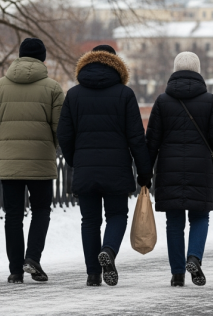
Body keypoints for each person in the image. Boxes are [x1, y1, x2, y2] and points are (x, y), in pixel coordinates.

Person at [57, 45, 152, 287]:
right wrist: (144, 171)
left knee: (89, 221)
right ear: (116, 65)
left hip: (85, 168)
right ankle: (108, 250)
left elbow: (64, 135)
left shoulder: (74, 95)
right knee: (117, 215)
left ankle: (92, 274)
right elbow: (136, 137)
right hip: (116, 169)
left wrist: (76, 161)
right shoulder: (125, 94)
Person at [0, 37, 65, 284]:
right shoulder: (53, 88)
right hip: (41, 163)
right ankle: (32, 258)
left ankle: (15, 270)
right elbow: (60, 130)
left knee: (13, 216)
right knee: (41, 211)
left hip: (9, 164)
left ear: (19, 56)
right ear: (43, 59)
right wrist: (54, 149)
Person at [145, 52, 213, 288]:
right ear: (198, 71)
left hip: (169, 167)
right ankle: (194, 257)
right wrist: (205, 148)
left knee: (174, 221)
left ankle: (177, 274)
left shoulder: (162, 101)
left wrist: (145, 171)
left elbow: (151, 140)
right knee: (200, 216)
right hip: (200, 166)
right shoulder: (210, 100)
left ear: (175, 70)